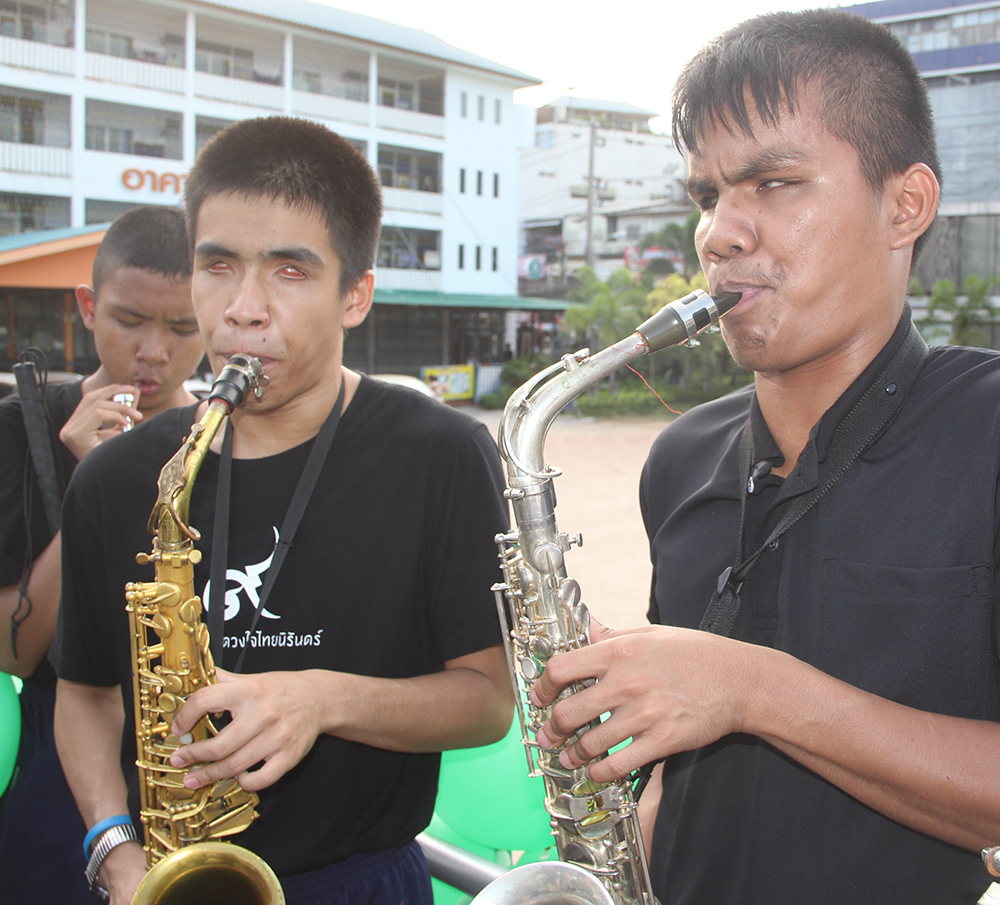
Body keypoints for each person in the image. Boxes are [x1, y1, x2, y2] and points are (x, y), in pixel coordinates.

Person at [529, 10, 1000, 904]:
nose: (717, 235)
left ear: (907, 205)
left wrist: (750, 688)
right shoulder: (679, 458)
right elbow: (682, 778)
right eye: (707, 195)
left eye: (775, 182)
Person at [52, 116, 513, 905]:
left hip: (361, 879)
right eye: (219, 265)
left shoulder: (442, 456)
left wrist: (320, 699)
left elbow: (487, 699)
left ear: (356, 295)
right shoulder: (118, 475)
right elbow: (87, 694)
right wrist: (114, 848)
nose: (243, 309)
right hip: (171, 876)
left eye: (290, 272)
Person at [0, 205, 203, 904]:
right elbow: (15, 648)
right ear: (88, 307)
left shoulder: (231, 439)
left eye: (183, 327)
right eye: (128, 320)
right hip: (58, 768)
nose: (154, 350)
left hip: (197, 760)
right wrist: (93, 482)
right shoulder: (21, 432)